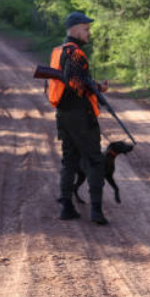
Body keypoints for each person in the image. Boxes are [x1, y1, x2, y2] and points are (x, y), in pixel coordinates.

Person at [48, 11, 109, 224]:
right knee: (94, 161)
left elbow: (71, 81)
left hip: (63, 114)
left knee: (69, 160)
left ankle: (66, 206)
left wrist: (96, 86)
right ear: (74, 29)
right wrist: (96, 89)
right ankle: (96, 211)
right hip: (81, 115)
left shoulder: (58, 51)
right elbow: (77, 85)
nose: (89, 33)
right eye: (86, 29)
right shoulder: (76, 54)